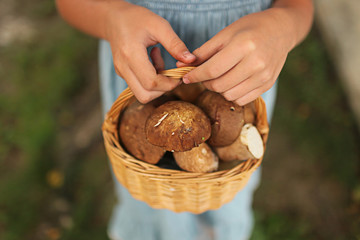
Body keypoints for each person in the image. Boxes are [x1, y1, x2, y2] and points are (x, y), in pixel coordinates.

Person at [56, 0, 314, 239]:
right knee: (151, 204)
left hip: (245, 71)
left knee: (227, 195)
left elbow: (300, 6)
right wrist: (112, 17)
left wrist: (283, 26)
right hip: (143, 69)